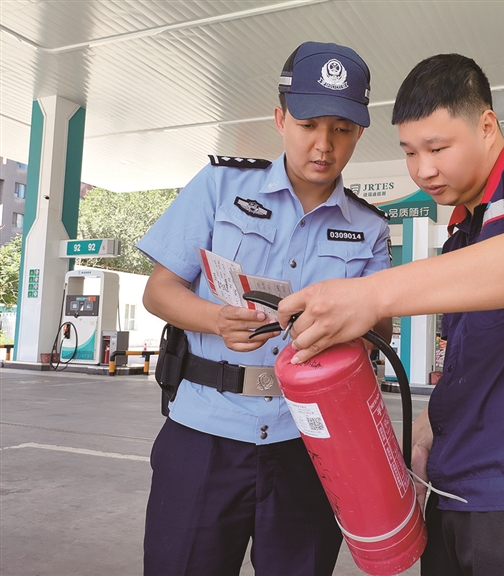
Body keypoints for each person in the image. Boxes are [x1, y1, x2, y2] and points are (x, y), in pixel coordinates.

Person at [278, 53, 504, 576]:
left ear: (487, 125)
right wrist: (429, 427)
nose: (423, 169)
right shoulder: (464, 234)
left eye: (438, 147)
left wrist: (370, 297)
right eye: (408, 152)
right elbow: (487, 357)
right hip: (459, 494)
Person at [137, 41, 392, 576]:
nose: (324, 145)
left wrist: (342, 328)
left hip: (312, 441)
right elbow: (158, 290)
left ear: (360, 134)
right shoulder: (219, 186)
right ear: (280, 119)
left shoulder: (370, 227)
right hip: (205, 430)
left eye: (342, 130)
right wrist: (215, 320)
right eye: (308, 125)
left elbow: (379, 334)